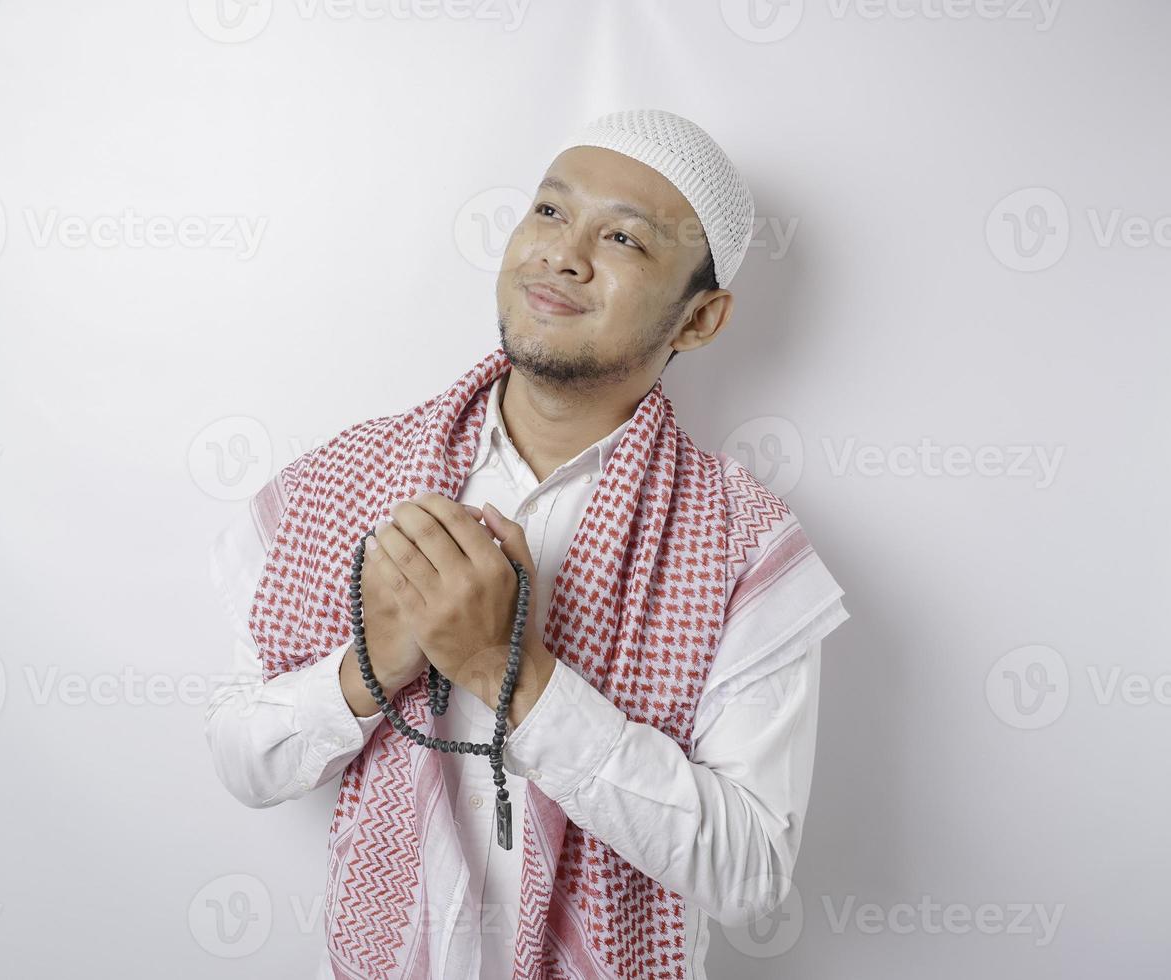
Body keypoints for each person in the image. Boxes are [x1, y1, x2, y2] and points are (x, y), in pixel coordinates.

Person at [204, 108, 849, 979]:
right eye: (549, 211)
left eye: (622, 238)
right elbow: (246, 760)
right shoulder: (346, 477)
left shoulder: (741, 543)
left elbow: (751, 872)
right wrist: (376, 660)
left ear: (700, 320)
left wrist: (509, 673)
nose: (562, 253)